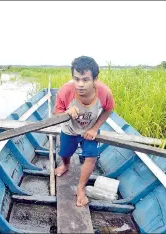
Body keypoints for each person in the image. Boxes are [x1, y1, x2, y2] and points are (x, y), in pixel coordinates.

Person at [54, 55, 115, 207]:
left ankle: (81, 189)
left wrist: (95, 128)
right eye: (77, 79)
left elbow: (108, 109)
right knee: (65, 153)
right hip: (70, 129)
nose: (80, 84)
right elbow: (56, 113)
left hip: (90, 130)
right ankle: (65, 165)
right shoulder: (65, 91)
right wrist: (67, 113)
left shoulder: (104, 92)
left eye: (86, 80)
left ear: (95, 79)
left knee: (92, 156)